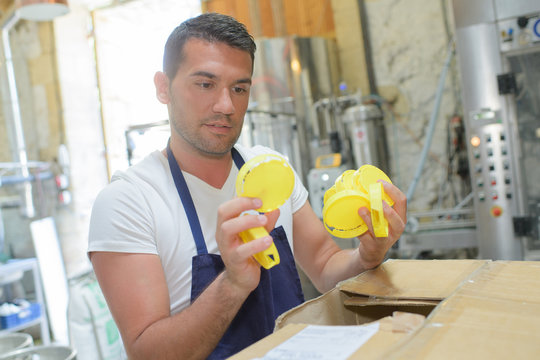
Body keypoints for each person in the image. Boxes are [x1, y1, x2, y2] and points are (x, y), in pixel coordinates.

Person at [88, 12, 407, 360]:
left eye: (239, 88)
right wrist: (232, 284)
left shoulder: (271, 169)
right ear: (163, 87)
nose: (226, 106)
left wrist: (366, 255)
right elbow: (147, 353)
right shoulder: (128, 201)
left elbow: (325, 262)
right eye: (205, 84)